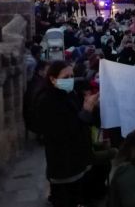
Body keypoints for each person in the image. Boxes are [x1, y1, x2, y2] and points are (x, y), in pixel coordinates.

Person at [36, 61, 99, 207]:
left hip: (77, 161)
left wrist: (90, 109)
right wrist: (86, 111)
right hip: (63, 164)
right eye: (65, 77)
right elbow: (64, 132)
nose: (70, 80)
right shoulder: (47, 101)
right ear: (53, 79)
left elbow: (82, 120)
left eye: (72, 76)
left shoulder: (69, 94)